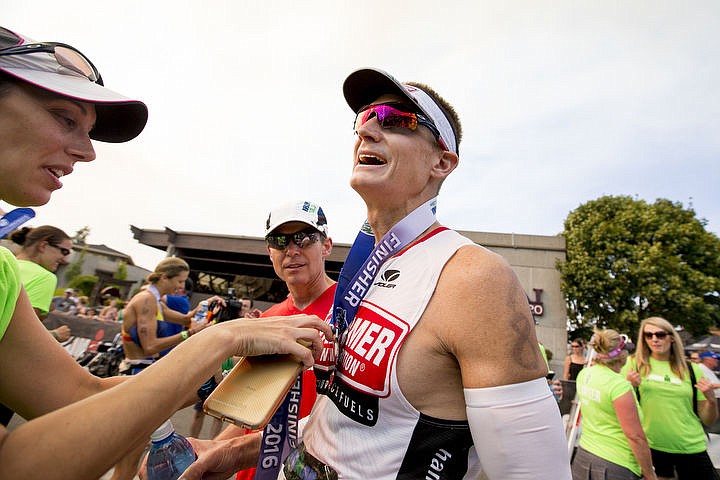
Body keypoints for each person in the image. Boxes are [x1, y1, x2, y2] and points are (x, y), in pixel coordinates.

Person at [179, 68, 571, 480]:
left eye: (395, 119)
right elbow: (340, 424)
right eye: (363, 119)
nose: (367, 130)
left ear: (442, 161)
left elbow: (534, 472)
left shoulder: (473, 277)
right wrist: (231, 453)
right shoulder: (364, 267)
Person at [0, 24, 332, 479]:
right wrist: (218, 341)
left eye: (305, 238)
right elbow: (18, 464)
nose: (87, 151)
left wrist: (211, 395)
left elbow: (80, 395)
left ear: (327, 245)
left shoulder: (3, 271)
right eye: (64, 117)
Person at [202, 200, 338, 480]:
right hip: (255, 468)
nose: (291, 250)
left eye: (304, 238)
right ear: (270, 253)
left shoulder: (353, 309)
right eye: (280, 241)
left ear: (326, 246)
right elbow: (250, 411)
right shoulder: (267, 321)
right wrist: (209, 452)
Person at [622, 317, 719, 479]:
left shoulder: (691, 369)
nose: (654, 339)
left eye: (660, 334)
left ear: (672, 337)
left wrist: (711, 400)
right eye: (648, 335)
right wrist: (629, 386)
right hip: (653, 447)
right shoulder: (633, 364)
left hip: (690, 446)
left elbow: (709, 420)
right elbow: (621, 407)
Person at [572, 329, 657, 480]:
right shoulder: (619, 386)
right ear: (621, 356)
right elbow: (635, 436)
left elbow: (602, 406)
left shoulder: (585, 374)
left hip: (584, 456)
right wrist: (650, 473)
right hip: (616, 463)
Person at [8, 225, 72, 342]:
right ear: (43, 246)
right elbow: (20, 333)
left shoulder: (5, 263)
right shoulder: (45, 277)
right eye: (64, 251)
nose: (64, 259)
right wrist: (55, 335)